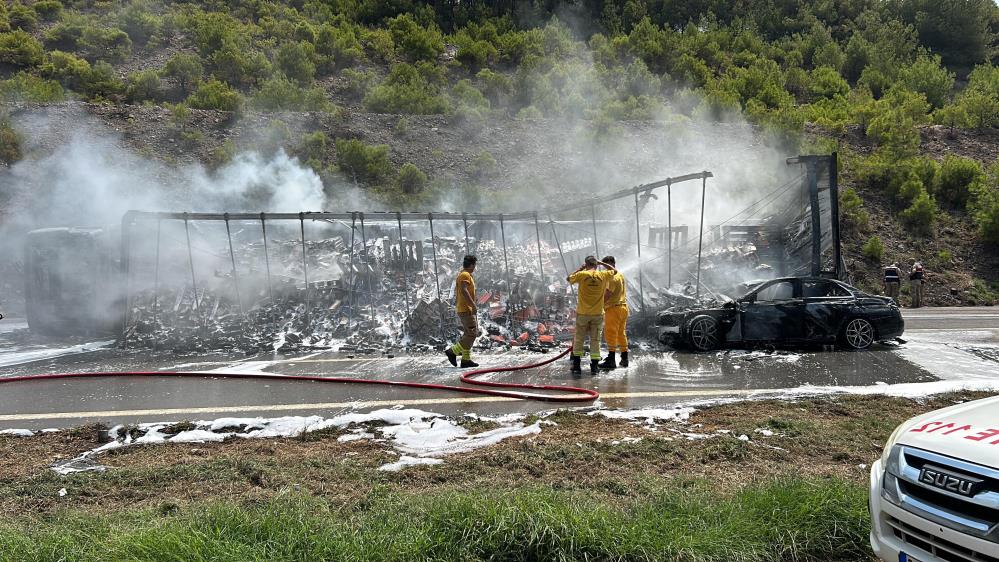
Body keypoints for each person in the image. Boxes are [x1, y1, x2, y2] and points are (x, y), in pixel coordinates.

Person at [567, 255, 617, 375]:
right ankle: (594, 367)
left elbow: (568, 278)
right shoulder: (603, 275)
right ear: (596, 265)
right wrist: (601, 263)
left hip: (583, 313)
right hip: (597, 314)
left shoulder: (582, 275)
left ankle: (577, 366)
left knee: (579, 339)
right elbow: (614, 270)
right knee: (596, 340)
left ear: (586, 264)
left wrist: (580, 269)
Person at [445, 255, 480, 368]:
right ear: (471, 265)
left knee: (468, 334)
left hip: (464, 309)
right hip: (466, 309)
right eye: (474, 264)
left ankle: (465, 360)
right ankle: (452, 351)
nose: (475, 267)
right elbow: (464, 291)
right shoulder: (465, 275)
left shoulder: (465, 274)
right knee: (472, 334)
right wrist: (473, 305)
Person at [598, 256, 629, 370]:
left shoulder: (612, 278)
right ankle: (624, 358)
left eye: (605, 266)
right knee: (621, 333)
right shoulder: (620, 275)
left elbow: (607, 295)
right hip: (623, 308)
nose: (604, 268)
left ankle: (611, 360)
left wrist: (598, 305)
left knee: (610, 333)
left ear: (610, 264)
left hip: (613, 309)